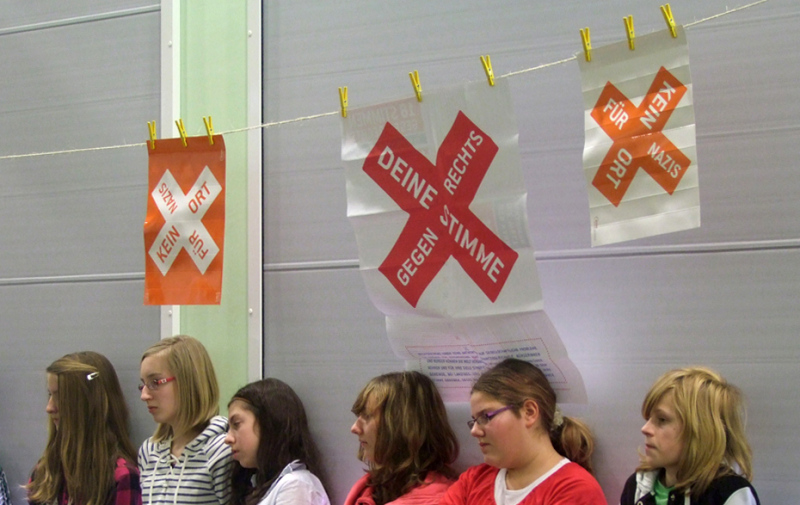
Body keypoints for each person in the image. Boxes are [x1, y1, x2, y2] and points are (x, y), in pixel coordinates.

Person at [441, 358, 605, 505]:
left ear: (529, 412)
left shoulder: (574, 491)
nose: (475, 431)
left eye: (485, 416)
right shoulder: (473, 481)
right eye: (474, 420)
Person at [619, 367, 760, 505]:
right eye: (648, 418)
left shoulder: (728, 494)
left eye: (662, 420)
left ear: (701, 430)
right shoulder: (636, 487)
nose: (645, 429)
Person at [27, 351, 141, 505]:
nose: (49, 407)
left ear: (89, 405)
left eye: (61, 397)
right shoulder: (45, 472)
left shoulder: (121, 477)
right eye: (50, 395)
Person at [138, 336, 232, 505]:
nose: (144, 395)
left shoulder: (222, 450)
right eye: (143, 384)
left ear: (188, 382)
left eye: (155, 382)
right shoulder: (149, 451)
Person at [345, 371, 459, 505]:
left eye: (367, 416)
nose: (354, 428)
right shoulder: (369, 490)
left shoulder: (444, 500)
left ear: (402, 425)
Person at [225, 378, 330, 505]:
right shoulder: (256, 485)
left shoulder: (296, 486)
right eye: (228, 428)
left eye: (236, 424)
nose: (228, 438)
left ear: (269, 424)